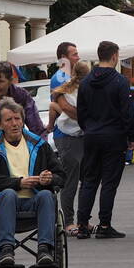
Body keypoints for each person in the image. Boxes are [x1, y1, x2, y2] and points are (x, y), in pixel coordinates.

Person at [0, 98, 63, 268]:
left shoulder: (40, 145)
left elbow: (61, 176)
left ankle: (44, 251)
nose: (14, 124)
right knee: (9, 194)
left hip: (34, 201)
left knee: (46, 195)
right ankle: (6, 250)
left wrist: (49, 179)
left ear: (23, 120)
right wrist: (17, 183)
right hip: (3, 204)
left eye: (17, 119)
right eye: (8, 120)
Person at [75, 40, 134, 239]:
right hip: (113, 135)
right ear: (115, 56)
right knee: (109, 182)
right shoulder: (120, 82)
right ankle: (104, 224)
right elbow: (127, 113)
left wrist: (88, 128)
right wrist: (131, 136)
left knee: (89, 180)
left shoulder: (85, 82)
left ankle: (82, 224)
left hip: (91, 135)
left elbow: (81, 112)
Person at [51, 60, 90, 234]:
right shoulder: (67, 88)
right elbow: (69, 110)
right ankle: (69, 221)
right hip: (69, 137)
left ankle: (80, 220)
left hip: (78, 136)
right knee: (72, 181)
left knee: (84, 181)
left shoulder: (75, 89)